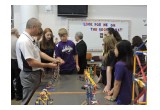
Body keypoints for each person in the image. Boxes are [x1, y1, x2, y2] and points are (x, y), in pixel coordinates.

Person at [16, 18, 64, 105]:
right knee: (28, 101)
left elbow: (39, 53)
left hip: (34, 74)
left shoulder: (30, 39)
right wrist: (48, 65)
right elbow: (31, 62)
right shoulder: (24, 41)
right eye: (39, 28)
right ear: (33, 27)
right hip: (29, 75)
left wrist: (54, 60)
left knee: (35, 99)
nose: (39, 31)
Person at [105, 40, 133, 105]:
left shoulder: (119, 64)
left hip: (121, 98)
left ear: (121, 51)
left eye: (115, 49)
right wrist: (112, 90)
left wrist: (113, 97)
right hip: (129, 96)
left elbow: (117, 83)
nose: (114, 51)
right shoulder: (130, 63)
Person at [11, 28, 23, 100]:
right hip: (16, 61)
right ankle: (19, 96)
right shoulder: (17, 40)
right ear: (16, 33)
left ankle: (11, 95)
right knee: (18, 79)